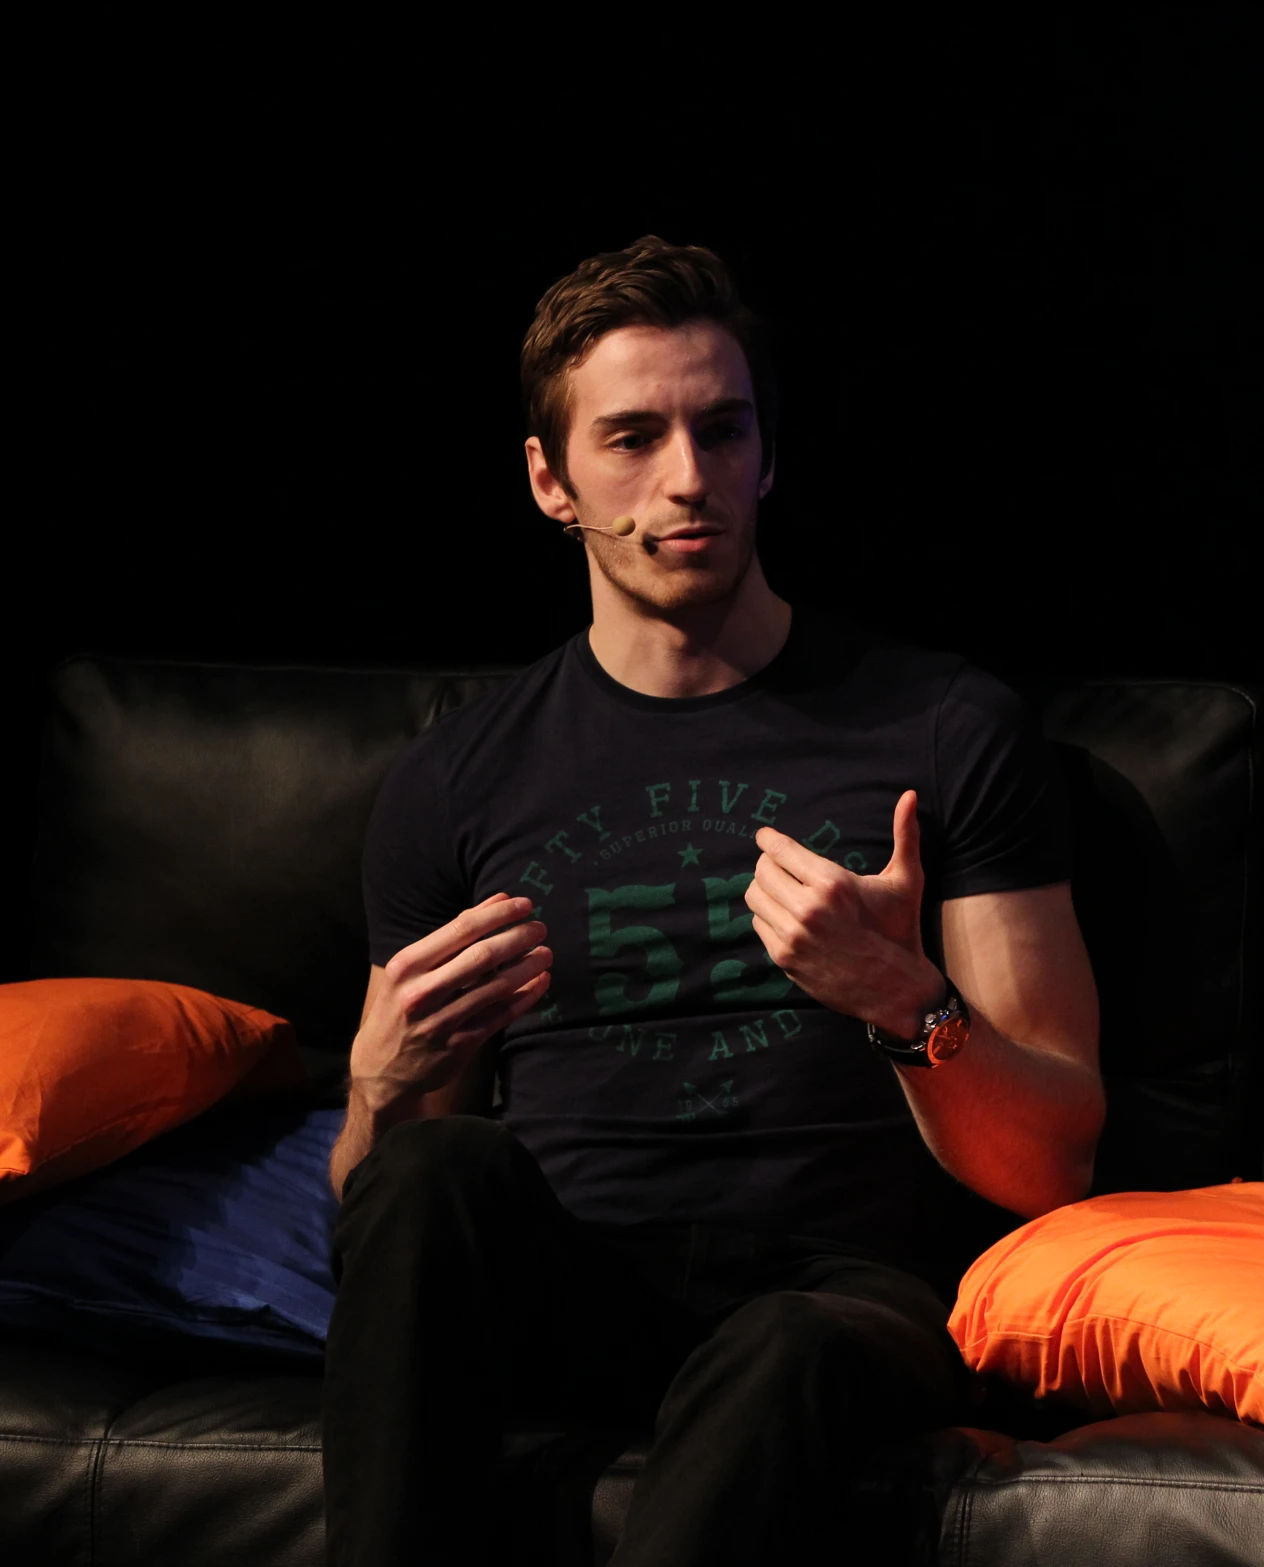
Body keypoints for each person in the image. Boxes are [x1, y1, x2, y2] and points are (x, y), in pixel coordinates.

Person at [321, 236, 1103, 1567]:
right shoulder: (457, 774)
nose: (688, 479)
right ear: (548, 480)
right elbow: (379, 1230)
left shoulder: (938, 728)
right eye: (631, 438)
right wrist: (382, 1087)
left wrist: (899, 995)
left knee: (785, 1344)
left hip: (845, 1295)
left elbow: (1052, 1162)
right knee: (427, 1166)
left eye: (721, 429)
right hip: (573, 1286)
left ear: (768, 455)